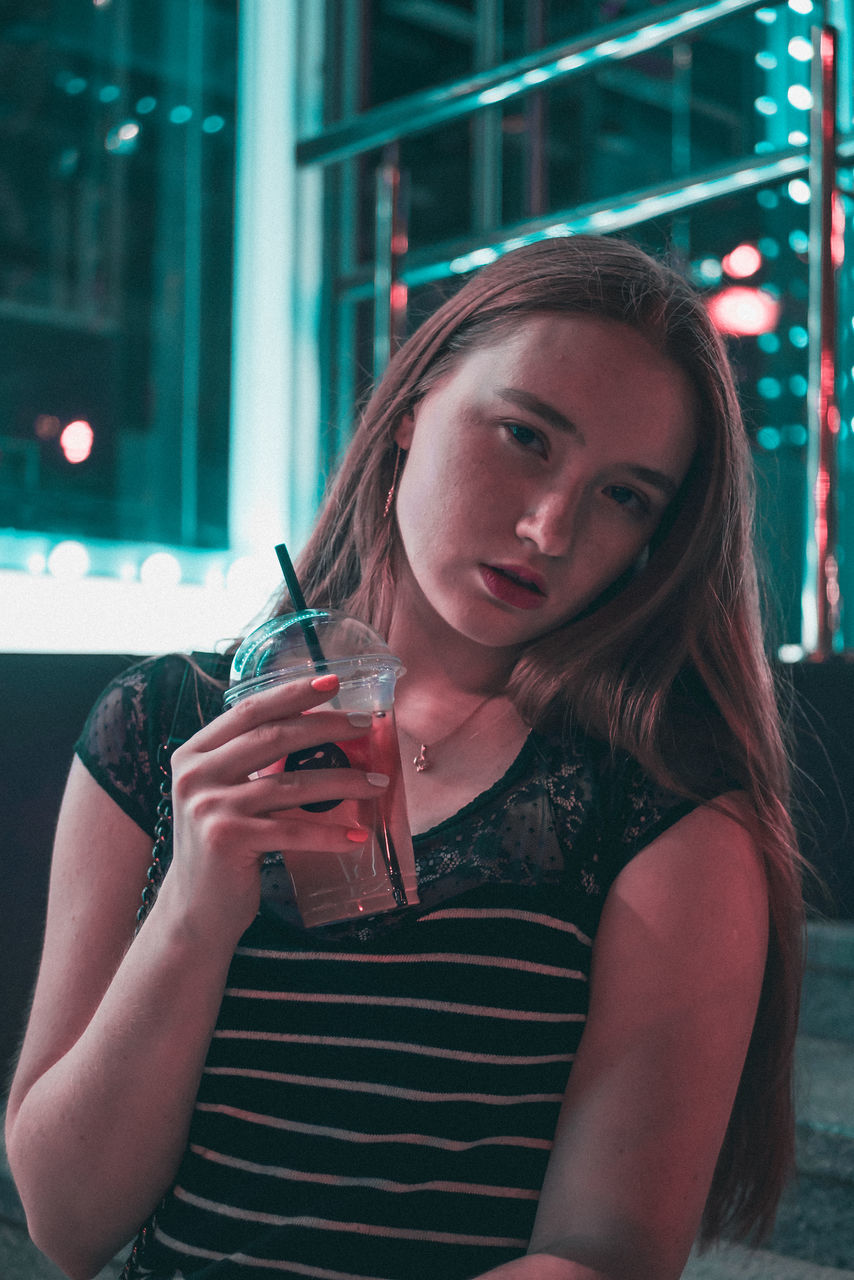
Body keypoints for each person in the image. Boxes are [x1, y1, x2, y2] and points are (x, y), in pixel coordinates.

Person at [5, 235, 804, 1280]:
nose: (549, 525)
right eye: (524, 435)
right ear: (412, 404)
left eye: (623, 496)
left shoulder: (662, 803)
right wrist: (193, 911)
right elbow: (66, 1223)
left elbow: (604, 1250)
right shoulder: (163, 725)